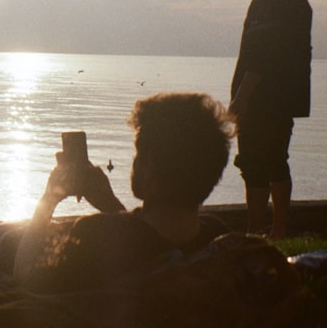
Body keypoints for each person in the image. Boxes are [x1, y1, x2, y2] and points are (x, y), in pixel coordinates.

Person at [12, 92, 234, 295]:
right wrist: (109, 203)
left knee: (6, 243)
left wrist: (49, 199)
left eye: (138, 154)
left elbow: (23, 275)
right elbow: (153, 243)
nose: (134, 161)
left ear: (150, 168)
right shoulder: (215, 240)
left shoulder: (98, 235)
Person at [230, 0, 313, 239]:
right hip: (280, 97)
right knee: (269, 161)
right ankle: (269, 230)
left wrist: (242, 97)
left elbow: (263, 54)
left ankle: (263, 230)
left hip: (266, 98)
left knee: (258, 161)